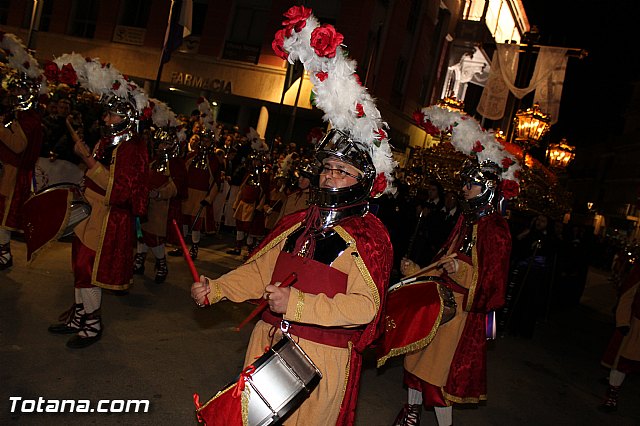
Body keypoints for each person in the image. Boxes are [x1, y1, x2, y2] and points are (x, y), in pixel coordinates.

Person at [192, 129, 393, 425]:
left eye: (341, 171)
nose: (328, 176)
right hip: (268, 347)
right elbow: (260, 272)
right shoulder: (298, 223)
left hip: (320, 360)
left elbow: (364, 308)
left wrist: (297, 303)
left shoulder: (369, 238)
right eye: (326, 167)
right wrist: (218, 288)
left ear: (362, 180)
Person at [392, 160, 512, 426]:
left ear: (488, 188)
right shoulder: (465, 220)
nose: (465, 188)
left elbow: (492, 283)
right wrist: (417, 272)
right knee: (414, 362)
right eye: (465, 183)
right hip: (439, 302)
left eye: (472, 184)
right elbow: (443, 261)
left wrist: (461, 269)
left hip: (461, 313)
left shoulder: (496, 228)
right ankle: (411, 412)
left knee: (437, 378)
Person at [47, 57, 149, 348]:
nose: (105, 120)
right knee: (79, 267)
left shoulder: (133, 149)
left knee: (89, 271)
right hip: (89, 215)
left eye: (112, 115)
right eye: (106, 115)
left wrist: (88, 161)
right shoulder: (108, 141)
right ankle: (78, 316)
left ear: (127, 117)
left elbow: (121, 192)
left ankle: (92, 324)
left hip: (106, 219)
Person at [0, 34, 44, 270]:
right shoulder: (20, 115)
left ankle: (4, 254)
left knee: (4, 217)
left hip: (14, 174)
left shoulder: (30, 119)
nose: (15, 95)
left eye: (20, 92)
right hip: (7, 171)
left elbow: (18, 145)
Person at [134, 124, 187, 283]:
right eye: (160, 143)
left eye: (166, 144)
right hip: (146, 206)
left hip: (162, 209)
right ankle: (140, 260)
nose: (162, 147)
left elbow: (177, 186)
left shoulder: (176, 164)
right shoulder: (153, 162)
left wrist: (159, 193)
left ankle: (162, 265)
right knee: (141, 235)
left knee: (155, 237)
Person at [599, 262, 640, 413]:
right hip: (636, 325)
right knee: (622, 362)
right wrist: (623, 321)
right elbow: (628, 295)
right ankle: (612, 397)